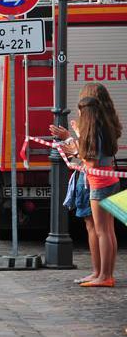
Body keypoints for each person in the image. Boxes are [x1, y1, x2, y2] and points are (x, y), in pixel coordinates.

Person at [55, 83, 121, 288]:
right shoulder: (105, 127)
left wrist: (74, 150)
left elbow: (90, 160)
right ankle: (103, 274)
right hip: (109, 181)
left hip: (99, 184)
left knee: (102, 231)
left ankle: (104, 276)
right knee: (108, 231)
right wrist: (76, 138)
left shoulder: (95, 132)